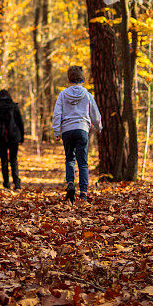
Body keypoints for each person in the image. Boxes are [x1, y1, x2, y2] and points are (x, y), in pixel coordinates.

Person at [52, 65, 102, 204]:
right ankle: (84, 193)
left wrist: (57, 131)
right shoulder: (87, 95)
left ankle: (70, 183)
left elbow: (57, 114)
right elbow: (95, 114)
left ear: (68, 79)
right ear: (83, 79)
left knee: (69, 159)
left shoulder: (63, 94)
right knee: (83, 163)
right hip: (82, 130)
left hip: (67, 130)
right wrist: (99, 127)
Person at [0, 89, 24, 190]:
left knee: (4, 160)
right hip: (14, 136)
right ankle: (17, 183)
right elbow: (20, 122)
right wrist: (22, 137)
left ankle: (6, 183)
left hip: (0, 137)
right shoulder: (14, 106)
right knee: (13, 159)